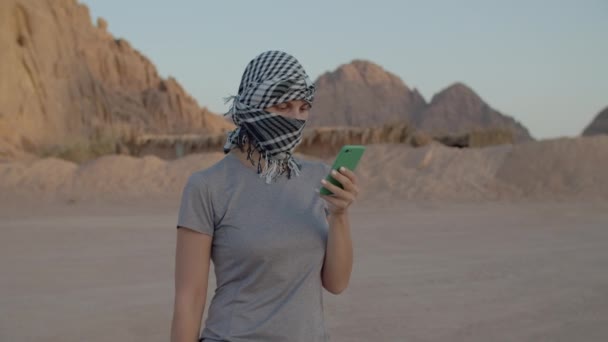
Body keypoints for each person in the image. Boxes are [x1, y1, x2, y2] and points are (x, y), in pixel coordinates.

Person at [170, 50, 359, 342]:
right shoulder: (208, 186)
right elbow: (189, 299)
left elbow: (336, 283)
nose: (295, 118)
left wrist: (340, 214)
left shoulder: (317, 177)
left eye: (303, 107)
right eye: (283, 106)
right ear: (253, 105)